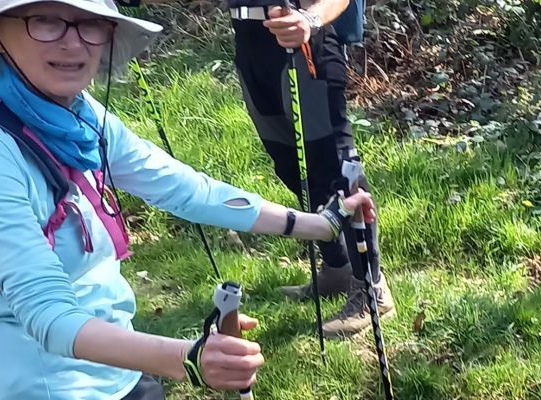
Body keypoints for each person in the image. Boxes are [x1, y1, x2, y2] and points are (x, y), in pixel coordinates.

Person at [0, 0, 375, 398]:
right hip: (30, 383)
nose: (73, 44)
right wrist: (191, 359)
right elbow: (46, 313)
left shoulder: (79, 115)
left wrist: (318, 224)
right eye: (45, 21)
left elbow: (187, 190)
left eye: (89, 24)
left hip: (118, 369)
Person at [118, 0, 392, 337]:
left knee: (334, 167)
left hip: (307, 43)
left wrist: (309, 19)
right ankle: (337, 266)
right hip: (250, 43)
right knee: (290, 166)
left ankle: (371, 289)